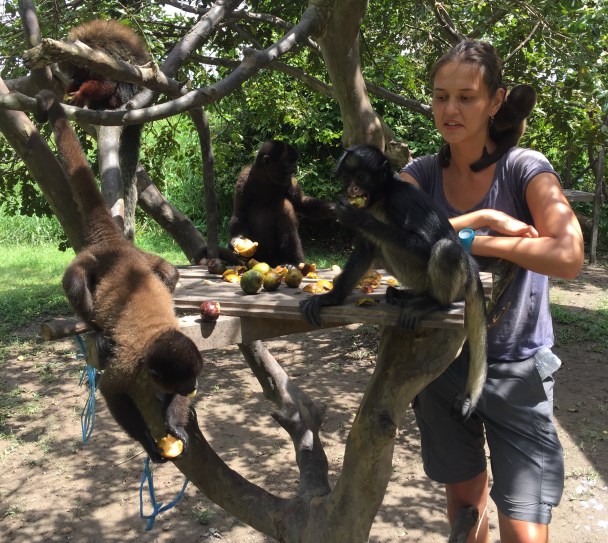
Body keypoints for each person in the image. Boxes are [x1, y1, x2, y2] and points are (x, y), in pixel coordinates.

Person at [399, 40, 584, 543]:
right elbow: (387, 239)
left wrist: (477, 241)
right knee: (465, 510)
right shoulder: (421, 174)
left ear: (496, 101)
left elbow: (568, 255)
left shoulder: (524, 168)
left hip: (515, 368)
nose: (450, 110)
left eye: (467, 97)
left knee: (523, 527)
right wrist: (483, 219)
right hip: (442, 363)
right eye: (441, 97)